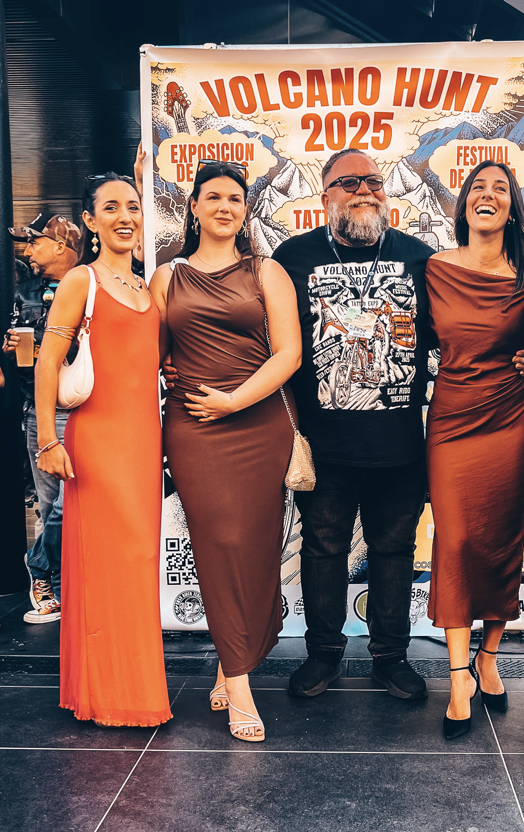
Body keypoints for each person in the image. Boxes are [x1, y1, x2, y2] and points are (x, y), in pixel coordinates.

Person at [271, 148, 434, 701]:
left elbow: (450, 342)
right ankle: (323, 656)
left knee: (395, 552)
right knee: (322, 551)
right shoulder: (293, 257)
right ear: (326, 196)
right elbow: (269, 343)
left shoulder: (419, 258)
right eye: (349, 183)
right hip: (324, 446)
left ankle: (390, 657)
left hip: (400, 445)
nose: (365, 190)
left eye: (374, 182)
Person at [152, 160, 301, 743]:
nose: (223, 206)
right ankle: (239, 680)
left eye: (234, 198)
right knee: (219, 545)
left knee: (259, 548)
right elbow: (151, 355)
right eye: (211, 196)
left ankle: (229, 657)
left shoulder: (268, 271)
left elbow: (288, 353)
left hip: (258, 423)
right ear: (193, 207)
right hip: (194, 428)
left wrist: (235, 400)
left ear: (245, 210)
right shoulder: (168, 278)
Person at [35, 172, 171, 728]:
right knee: (106, 567)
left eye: (133, 206)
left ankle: (121, 684)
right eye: (110, 207)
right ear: (90, 222)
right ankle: (117, 694)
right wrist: (48, 439)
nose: (124, 216)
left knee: (138, 566)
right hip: (94, 443)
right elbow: (47, 363)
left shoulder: (151, 288)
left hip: (144, 446)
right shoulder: (80, 282)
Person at [425, 160, 524, 739]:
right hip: (451, 421)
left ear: (512, 208)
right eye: (478, 187)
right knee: (453, 541)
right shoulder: (433, 269)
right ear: (464, 204)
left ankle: (489, 659)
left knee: (503, 541)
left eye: (500, 189)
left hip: (510, 422)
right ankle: (457, 676)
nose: (488, 195)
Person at [4, 213, 80, 623]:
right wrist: (14, 349)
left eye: (34, 242)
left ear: (60, 246)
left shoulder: (91, 282)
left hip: (84, 411)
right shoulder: (25, 291)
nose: (28, 251)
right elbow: (21, 361)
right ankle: (60, 586)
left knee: (69, 505)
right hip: (39, 410)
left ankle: (38, 567)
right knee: (51, 502)